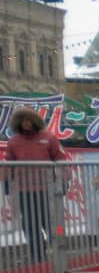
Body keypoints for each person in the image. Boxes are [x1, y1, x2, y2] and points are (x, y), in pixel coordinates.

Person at [3, 106, 68, 263]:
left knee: (51, 223)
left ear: (35, 121)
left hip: (47, 189)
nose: (26, 123)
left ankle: (59, 253)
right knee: (30, 224)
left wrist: (63, 182)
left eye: (29, 120)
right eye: (23, 120)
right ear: (18, 123)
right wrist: (6, 183)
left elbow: (60, 159)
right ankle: (37, 255)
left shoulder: (49, 138)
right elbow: (8, 165)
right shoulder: (13, 142)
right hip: (25, 190)